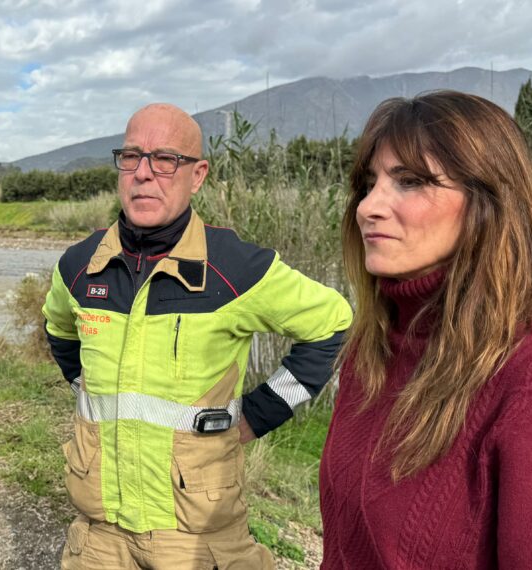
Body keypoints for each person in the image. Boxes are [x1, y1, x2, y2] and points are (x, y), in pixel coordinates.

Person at [42, 103, 353, 569]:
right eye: (131, 157)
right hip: (98, 533)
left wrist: (260, 412)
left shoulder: (236, 268)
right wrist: (83, 388)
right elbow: (59, 330)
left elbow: (335, 324)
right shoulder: (78, 266)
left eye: (165, 159)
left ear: (198, 174)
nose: (144, 174)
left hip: (196, 536)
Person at [320, 90, 532, 568]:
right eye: (370, 183)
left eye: (410, 181)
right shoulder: (371, 352)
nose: (369, 206)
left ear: (486, 204)